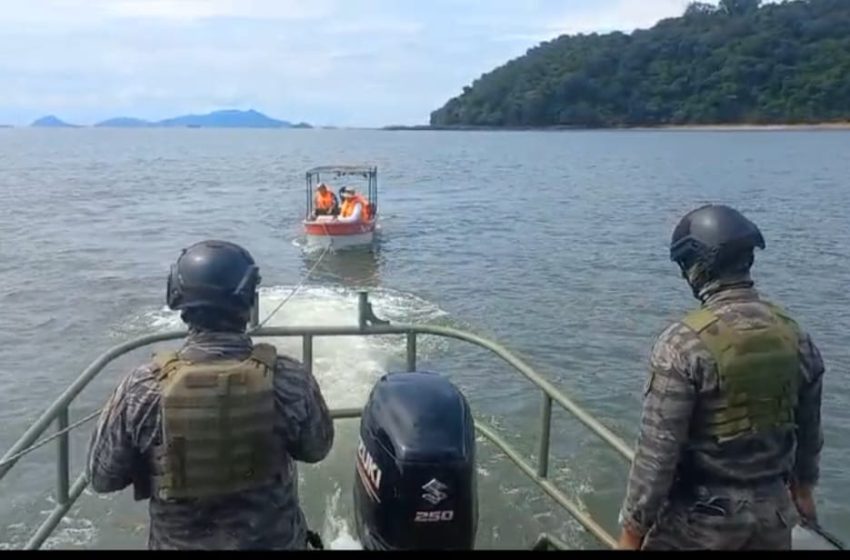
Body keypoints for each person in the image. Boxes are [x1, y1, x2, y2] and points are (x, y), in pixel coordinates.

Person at [86, 240, 335, 550]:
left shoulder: (141, 388)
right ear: (248, 300)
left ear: (178, 301)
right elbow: (317, 449)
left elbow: (102, 478)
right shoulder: (290, 379)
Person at [617, 204, 825, 551]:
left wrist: (631, 535)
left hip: (697, 527)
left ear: (696, 268)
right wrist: (803, 493)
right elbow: (809, 433)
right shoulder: (795, 337)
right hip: (772, 522)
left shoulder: (681, 346)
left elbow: (656, 459)